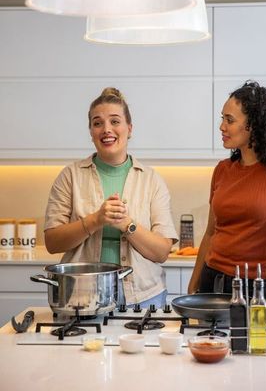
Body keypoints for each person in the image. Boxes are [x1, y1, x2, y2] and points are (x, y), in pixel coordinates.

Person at [188, 81, 266, 327]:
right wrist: (194, 284)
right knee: (211, 358)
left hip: (260, 290)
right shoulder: (223, 170)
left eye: (229, 120)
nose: (221, 126)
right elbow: (211, 232)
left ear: (254, 124)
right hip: (214, 283)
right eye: (222, 119)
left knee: (259, 359)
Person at [44, 87, 178, 307]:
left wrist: (128, 224)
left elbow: (162, 252)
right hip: (82, 297)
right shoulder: (70, 176)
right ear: (91, 131)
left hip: (144, 297)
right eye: (97, 123)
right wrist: (95, 220)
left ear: (129, 128)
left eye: (115, 121)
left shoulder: (152, 180)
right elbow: (52, 242)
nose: (106, 129)